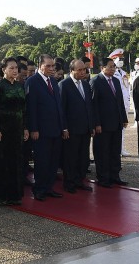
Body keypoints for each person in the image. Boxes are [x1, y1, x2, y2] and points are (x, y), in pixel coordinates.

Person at [0, 57, 29, 205]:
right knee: (2, 162)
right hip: (3, 131)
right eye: (11, 68)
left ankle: (14, 195)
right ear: (4, 69)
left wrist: (25, 127)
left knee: (16, 162)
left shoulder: (20, 86)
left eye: (16, 68)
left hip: (17, 129)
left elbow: (24, 109)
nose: (14, 71)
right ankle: (0, 195)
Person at [26, 54, 65, 201]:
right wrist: (33, 129)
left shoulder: (53, 82)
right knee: (42, 161)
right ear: (40, 65)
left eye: (52, 66)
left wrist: (63, 127)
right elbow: (31, 108)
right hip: (41, 131)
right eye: (48, 66)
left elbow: (58, 106)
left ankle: (49, 187)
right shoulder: (32, 82)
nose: (51, 68)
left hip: (55, 129)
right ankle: (39, 189)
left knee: (53, 161)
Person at [91, 58, 128, 187]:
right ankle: (103, 178)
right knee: (103, 152)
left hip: (116, 123)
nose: (113, 69)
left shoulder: (116, 81)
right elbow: (94, 105)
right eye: (110, 66)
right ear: (102, 68)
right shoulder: (96, 81)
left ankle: (114, 176)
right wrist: (97, 124)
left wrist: (123, 118)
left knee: (115, 151)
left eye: (114, 67)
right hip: (103, 125)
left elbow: (120, 102)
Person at [59, 59, 94, 193]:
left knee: (83, 158)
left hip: (85, 129)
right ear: (71, 71)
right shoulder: (64, 85)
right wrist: (64, 128)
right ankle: (69, 183)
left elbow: (89, 107)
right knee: (70, 158)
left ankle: (80, 180)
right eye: (79, 70)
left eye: (83, 69)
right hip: (71, 130)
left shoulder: (85, 85)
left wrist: (91, 126)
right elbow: (61, 109)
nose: (82, 72)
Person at [109, 49, 132, 158]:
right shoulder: (111, 74)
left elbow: (126, 89)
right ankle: (116, 150)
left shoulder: (123, 73)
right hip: (115, 107)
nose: (121, 61)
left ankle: (121, 148)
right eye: (119, 58)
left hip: (124, 105)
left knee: (123, 128)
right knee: (115, 129)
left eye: (122, 59)